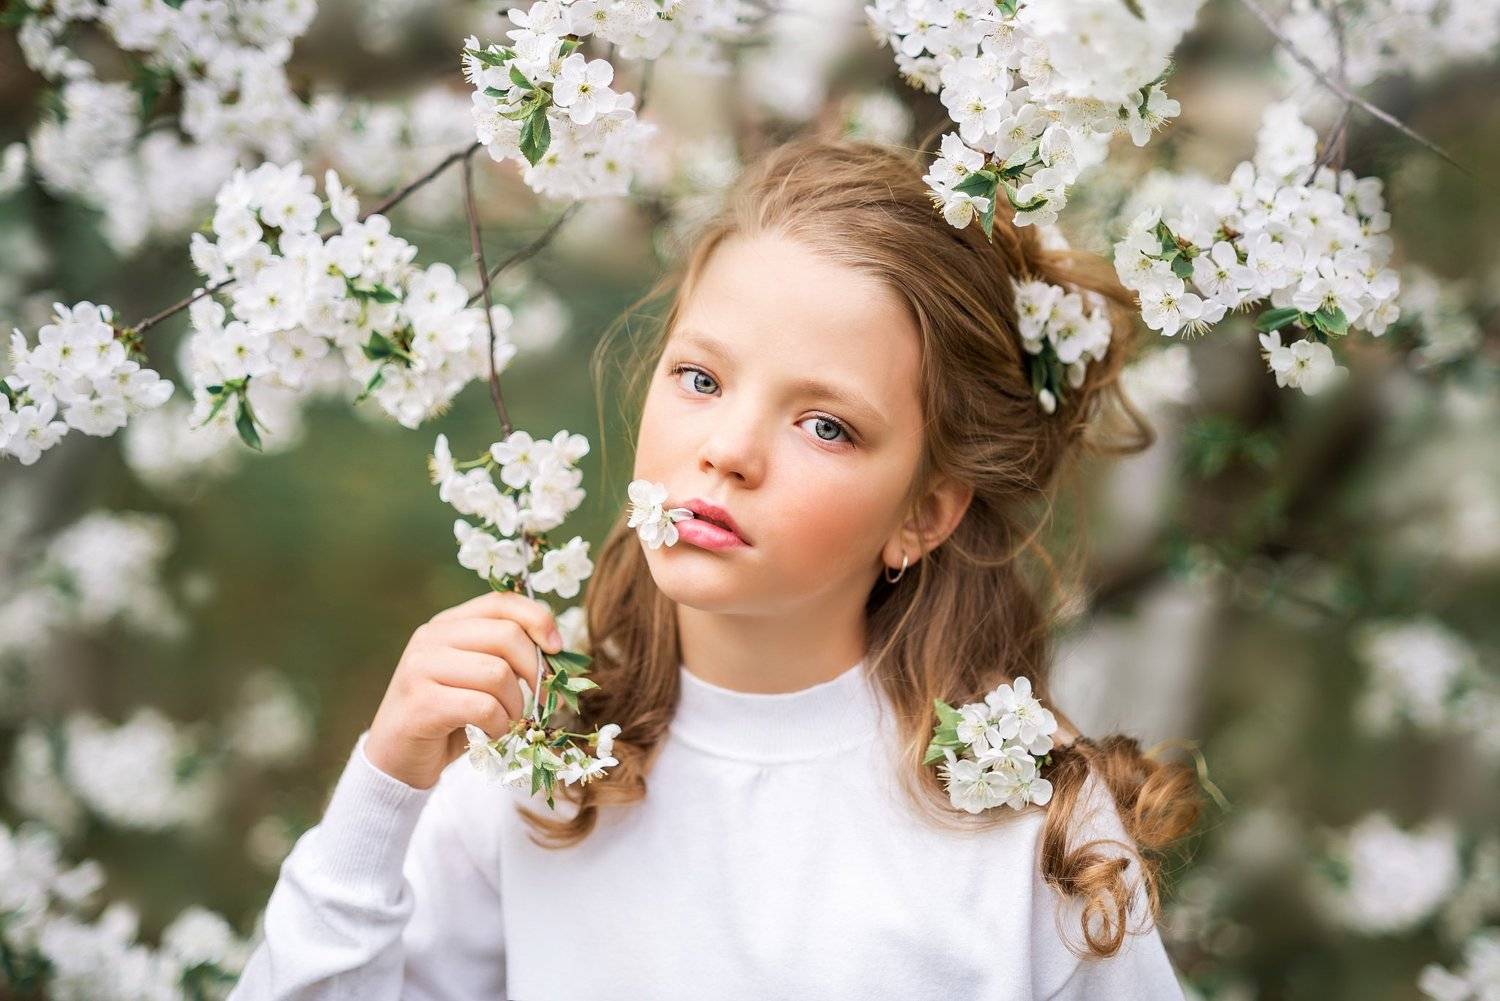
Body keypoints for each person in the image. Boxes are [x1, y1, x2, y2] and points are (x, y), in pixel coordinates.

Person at [227, 134, 1201, 1000]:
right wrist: (388, 782)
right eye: (700, 377)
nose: (729, 447)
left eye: (826, 424)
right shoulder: (540, 744)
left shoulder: (1032, 825)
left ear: (923, 512)